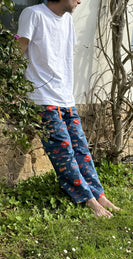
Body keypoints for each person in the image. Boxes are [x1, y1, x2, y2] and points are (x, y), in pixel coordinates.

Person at [17, 0, 120, 217]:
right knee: (63, 153)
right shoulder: (33, 14)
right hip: (42, 98)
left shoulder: (68, 21)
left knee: (81, 149)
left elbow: (61, 58)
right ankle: (89, 200)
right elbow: (20, 50)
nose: (80, 1)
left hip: (65, 97)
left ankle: (98, 194)